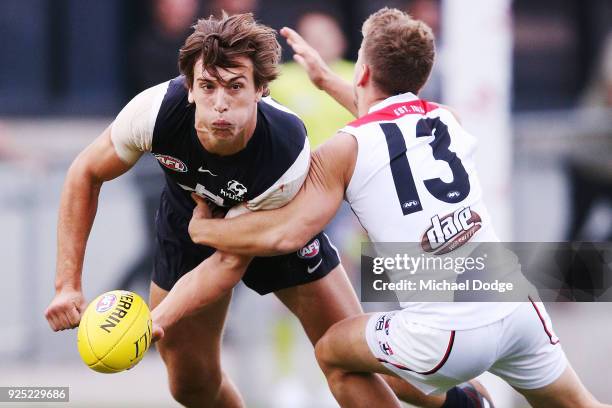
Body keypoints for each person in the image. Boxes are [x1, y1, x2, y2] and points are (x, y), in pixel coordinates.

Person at [184, 8, 610, 408]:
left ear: (364, 71)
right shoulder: (447, 120)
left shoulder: (344, 148)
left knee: (334, 351)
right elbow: (391, 124)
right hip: (516, 308)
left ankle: (463, 401)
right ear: (421, 79)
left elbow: (285, 234)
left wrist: (203, 231)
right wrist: (327, 80)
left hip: (446, 333)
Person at [43, 12, 401, 407]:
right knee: (190, 386)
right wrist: (68, 285)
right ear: (190, 87)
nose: (220, 104)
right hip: (186, 228)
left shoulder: (285, 147)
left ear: (261, 89)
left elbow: (230, 262)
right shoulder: (155, 112)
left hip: (276, 232)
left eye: (235, 87)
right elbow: (85, 173)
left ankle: (457, 400)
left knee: (351, 360)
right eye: (207, 86)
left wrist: (148, 323)